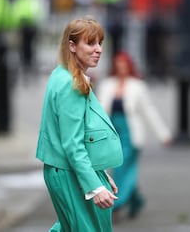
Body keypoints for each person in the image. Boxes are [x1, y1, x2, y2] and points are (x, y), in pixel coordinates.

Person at [36, 16, 124, 231]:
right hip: (68, 171)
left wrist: (99, 175)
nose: (98, 50)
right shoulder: (70, 84)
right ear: (72, 46)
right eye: (90, 43)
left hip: (67, 170)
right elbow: (72, 144)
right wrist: (94, 186)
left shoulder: (62, 75)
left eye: (100, 43)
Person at [96, 51, 172, 221]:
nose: (121, 68)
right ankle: (135, 200)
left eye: (124, 64)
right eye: (118, 64)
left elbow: (149, 111)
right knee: (118, 167)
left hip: (130, 133)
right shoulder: (107, 84)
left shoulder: (137, 86)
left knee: (122, 167)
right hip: (113, 132)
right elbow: (99, 110)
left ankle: (117, 203)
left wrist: (163, 134)